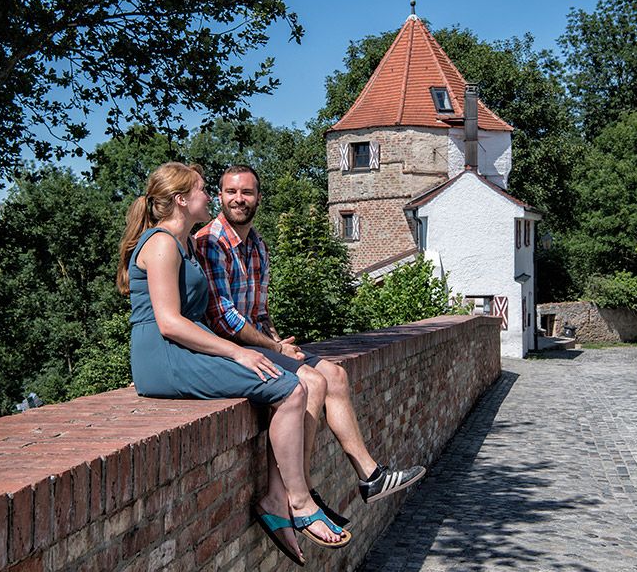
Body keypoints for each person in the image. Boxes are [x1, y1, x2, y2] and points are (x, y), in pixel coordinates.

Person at [117, 162, 349, 566]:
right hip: (164, 359)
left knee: (293, 381)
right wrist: (237, 351)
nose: (210, 197)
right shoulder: (161, 244)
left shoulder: (184, 242)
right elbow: (169, 323)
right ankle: (295, 501)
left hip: (183, 353)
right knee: (289, 388)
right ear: (181, 200)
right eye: (204, 190)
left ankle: (290, 498)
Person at [195, 165, 426, 525]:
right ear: (220, 196)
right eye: (230, 192)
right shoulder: (211, 241)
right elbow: (224, 318)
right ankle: (295, 491)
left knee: (335, 374)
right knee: (313, 382)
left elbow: (259, 311)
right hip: (232, 352)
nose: (239, 199)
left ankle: (370, 476)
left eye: (247, 192)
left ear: (258, 197)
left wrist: (276, 339)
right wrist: (275, 348)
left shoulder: (257, 244)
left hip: (259, 345)